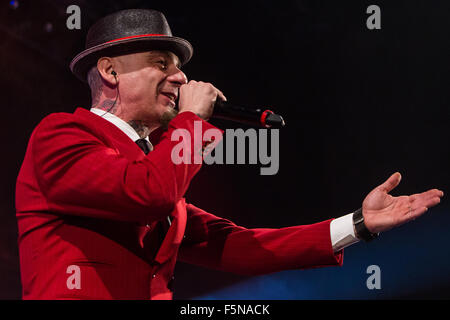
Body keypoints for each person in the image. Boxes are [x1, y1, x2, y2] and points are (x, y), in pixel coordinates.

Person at [15, 9, 444, 300]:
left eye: (177, 66)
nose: (180, 76)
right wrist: (192, 122)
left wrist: (358, 224)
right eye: (161, 63)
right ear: (110, 72)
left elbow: (240, 247)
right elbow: (148, 194)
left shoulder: (152, 161)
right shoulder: (61, 135)